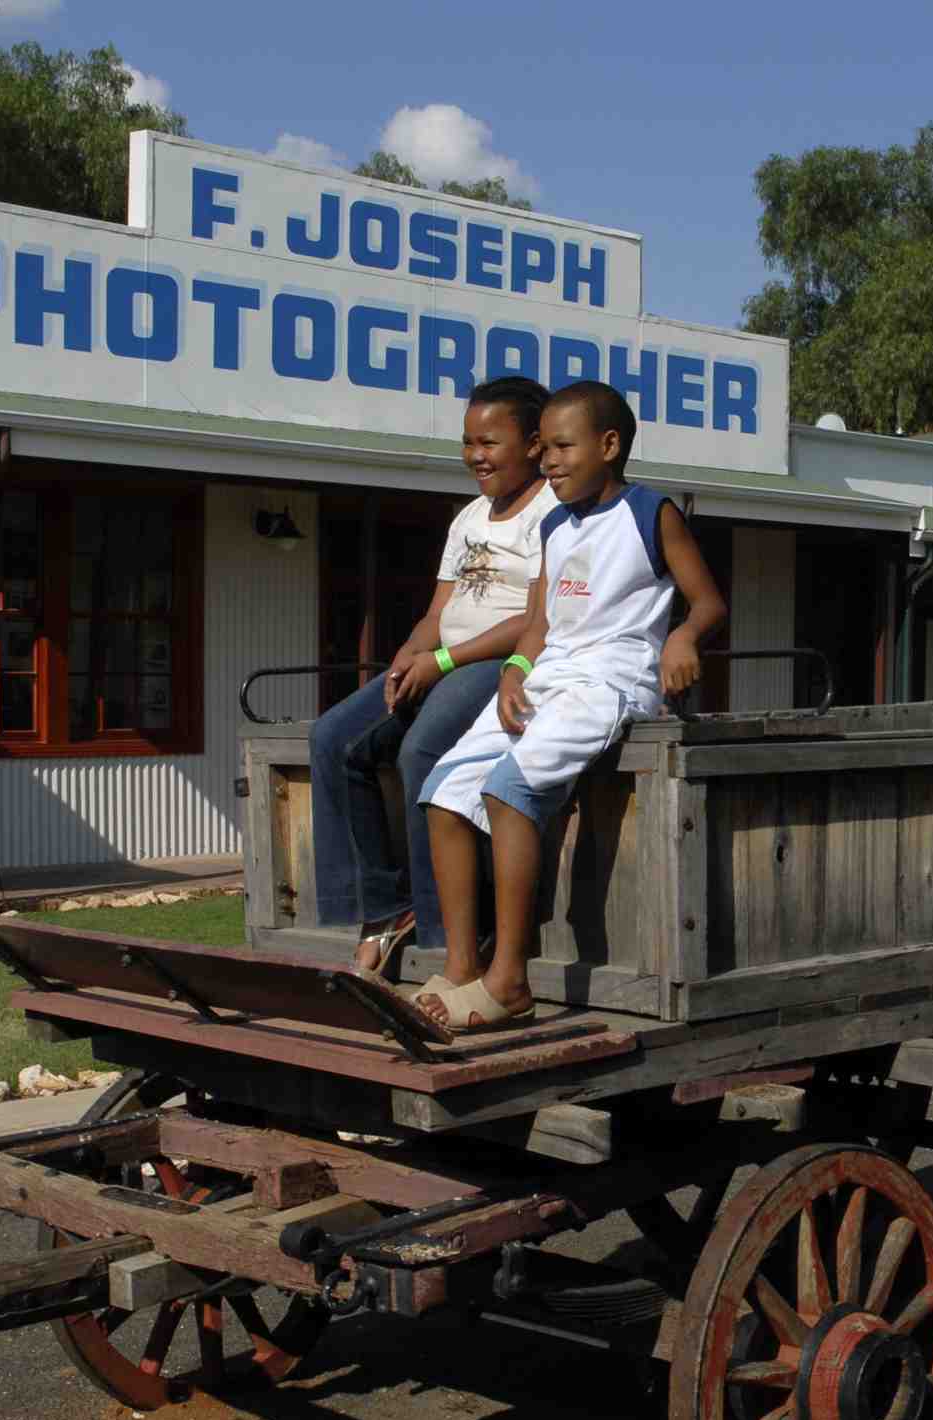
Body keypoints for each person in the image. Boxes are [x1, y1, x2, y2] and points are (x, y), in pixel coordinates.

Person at [415, 380, 727, 1030]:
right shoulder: (553, 524)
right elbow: (539, 620)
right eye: (545, 449)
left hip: (610, 680)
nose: (549, 461)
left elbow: (708, 602)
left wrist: (683, 636)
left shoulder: (651, 512)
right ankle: (460, 968)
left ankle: (510, 981)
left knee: (509, 790)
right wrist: (517, 669)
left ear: (608, 445)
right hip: (549, 676)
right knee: (444, 792)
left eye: (562, 447)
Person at [307, 376, 553, 974]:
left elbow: (535, 616)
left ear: (535, 444)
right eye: (469, 442)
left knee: (422, 751)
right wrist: (405, 658)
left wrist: (443, 660)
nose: (476, 456)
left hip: (502, 663)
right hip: (441, 658)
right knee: (333, 738)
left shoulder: (552, 513)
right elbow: (438, 612)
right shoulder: (469, 515)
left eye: (491, 443)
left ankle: (446, 927)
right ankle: (382, 906)